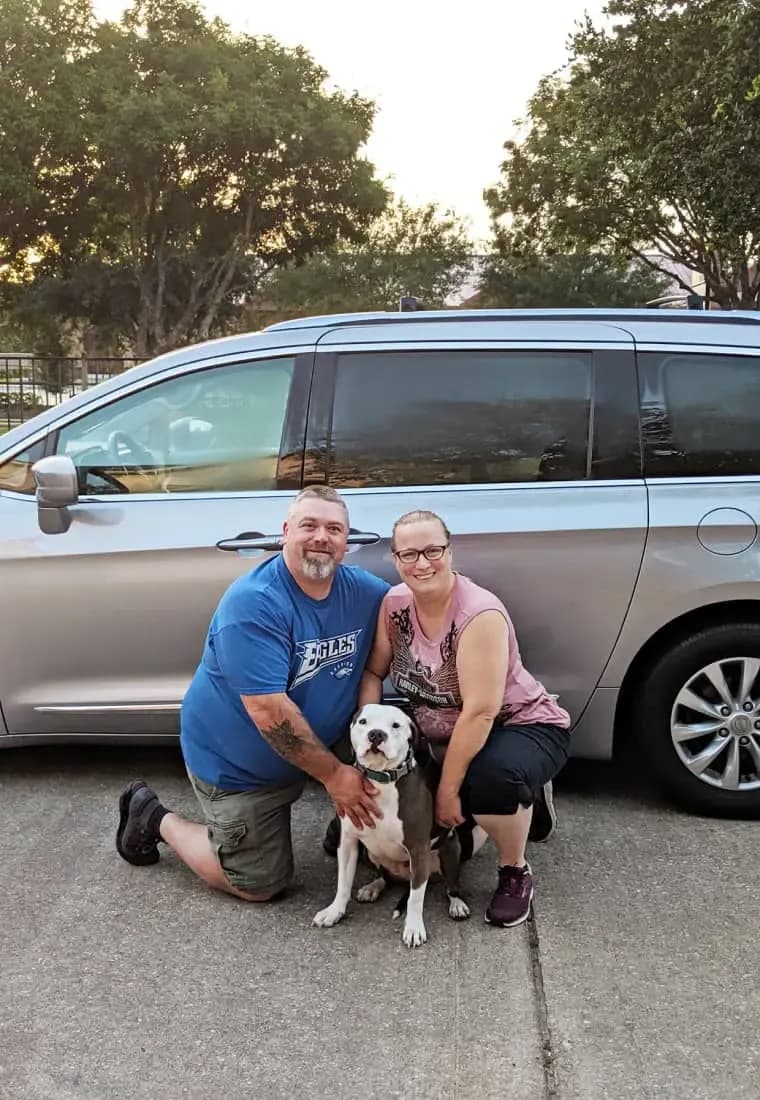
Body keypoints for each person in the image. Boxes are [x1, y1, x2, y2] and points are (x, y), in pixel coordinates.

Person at [115, 486, 389, 901]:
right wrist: (335, 776)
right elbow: (270, 712)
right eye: (308, 525)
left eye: (334, 528)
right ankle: (153, 818)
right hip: (240, 763)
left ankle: (349, 826)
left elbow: (414, 612)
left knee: (396, 751)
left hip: (323, 735)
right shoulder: (254, 603)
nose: (321, 537)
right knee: (258, 884)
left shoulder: (366, 592)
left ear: (346, 542)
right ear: (284, 533)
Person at [358, 509, 570, 928]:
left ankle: (514, 869)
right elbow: (372, 673)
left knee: (488, 781)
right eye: (409, 554)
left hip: (517, 725)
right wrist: (364, 741)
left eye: (433, 550)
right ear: (396, 560)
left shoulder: (479, 614)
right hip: (441, 734)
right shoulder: (395, 603)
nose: (422, 563)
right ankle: (517, 807)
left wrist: (448, 792)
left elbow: (480, 712)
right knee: (361, 826)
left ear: (450, 551)